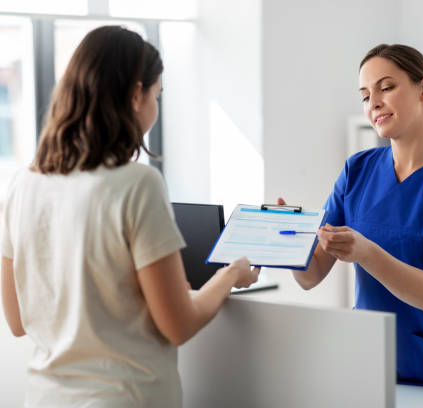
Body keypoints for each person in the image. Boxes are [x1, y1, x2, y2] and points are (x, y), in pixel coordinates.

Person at [1, 26, 259, 407]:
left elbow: (18, 321)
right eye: (157, 95)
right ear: (137, 95)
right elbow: (179, 325)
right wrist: (229, 275)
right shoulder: (137, 183)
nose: (156, 108)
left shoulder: (22, 184)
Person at [280, 44, 423, 393]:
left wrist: (365, 251)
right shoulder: (356, 171)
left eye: (386, 87)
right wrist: (282, 240)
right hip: (368, 361)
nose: (374, 103)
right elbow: (311, 274)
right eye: (365, 95)